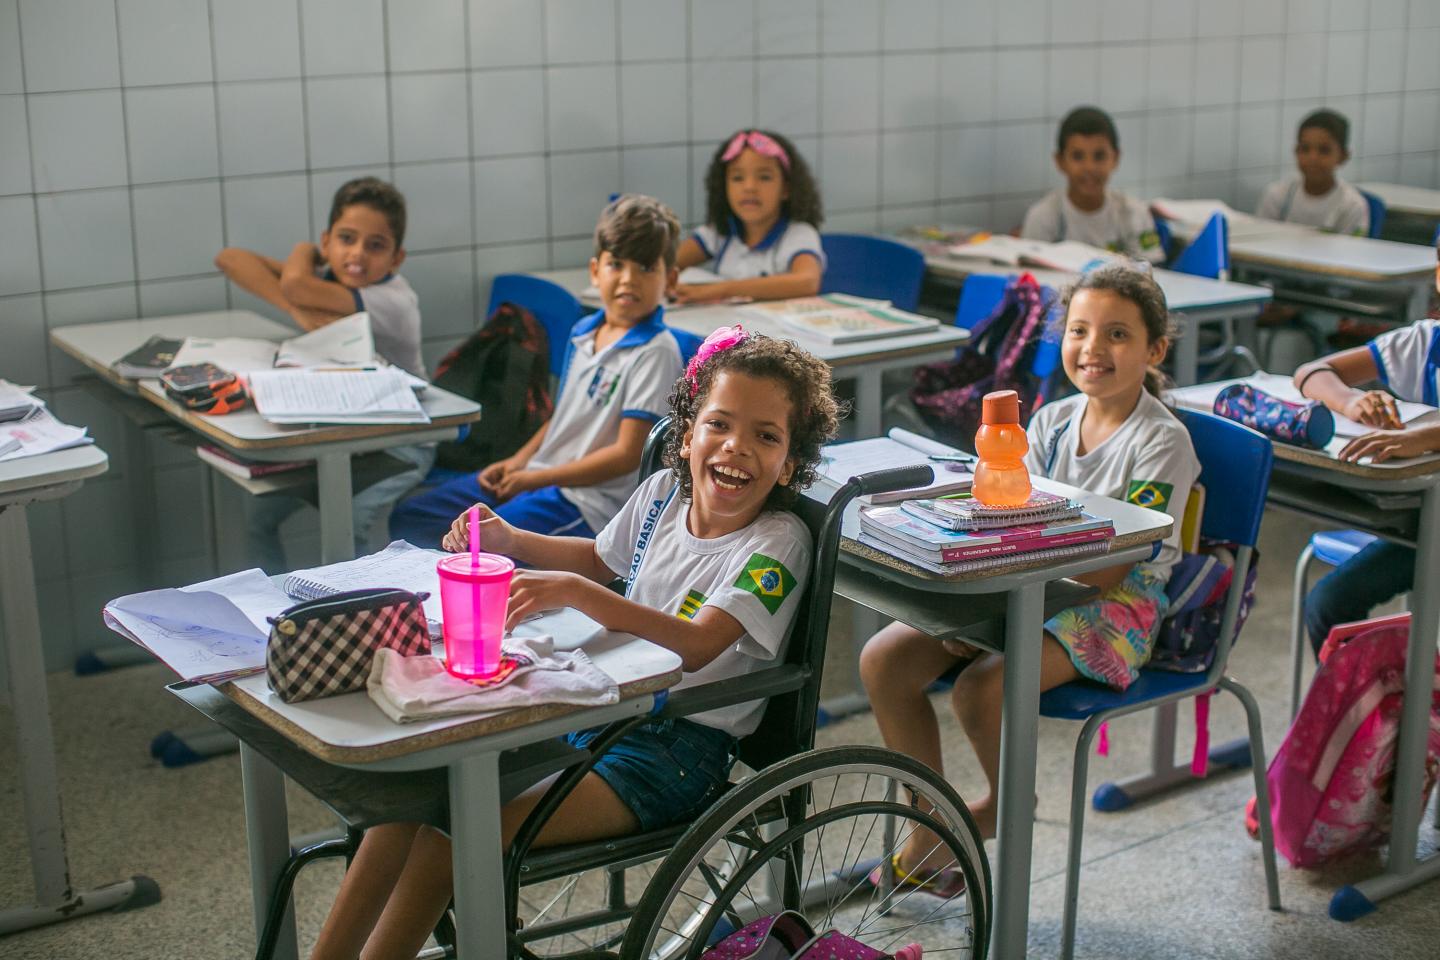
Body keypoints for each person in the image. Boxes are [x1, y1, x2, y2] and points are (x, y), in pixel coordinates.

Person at [309, 329, 842, 959]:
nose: (736, 448)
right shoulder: (663, 495)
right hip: (599, 712)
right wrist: (514, 540)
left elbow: (698, 646)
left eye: (766, 436)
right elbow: (597, 556)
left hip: (675, 753)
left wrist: (580, 594)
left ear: (791, 461)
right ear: (688, 431)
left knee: (450, 835)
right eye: (719, 424)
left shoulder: (777, 545)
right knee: (405, 805)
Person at [858, 265, 1199, 885]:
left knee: (982, 688)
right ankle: (928, 825)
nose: (1093, 349)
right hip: (1024, 579)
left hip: (1115, 601)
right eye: (1079, 330)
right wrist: (978, 608)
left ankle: (1005, 804)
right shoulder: (1049, 421)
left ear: (1155, 350)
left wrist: (992, 619)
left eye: (1117, 335)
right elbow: (1009, 520)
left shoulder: (1162, 440)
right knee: (885, 660)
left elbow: (1116, 564)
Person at [387, 195, 689, 549]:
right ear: (595, 271)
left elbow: (625, 455)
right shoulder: (584, 333)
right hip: (540, 475)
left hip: (585, 503)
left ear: (670, 279)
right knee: (413, 517)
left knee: (481, 543)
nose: (628, 280)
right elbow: (563, 417)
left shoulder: (654, 351)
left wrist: (535, 479)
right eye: (616, 264)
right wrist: (516, 463)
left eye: (645, 268)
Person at [214, 176, 430, 569]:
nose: (358, 255)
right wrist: (300, 294)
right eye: (347, 239)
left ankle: (363, 623)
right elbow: (230, 258)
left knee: (351, 527)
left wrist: (303, 268)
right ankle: (279, 621)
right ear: (327, 241)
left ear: (397, 258)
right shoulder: (333, 278)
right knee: (259, 520)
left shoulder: (391, 300)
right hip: (344, 431)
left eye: (376, 245)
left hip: (404, 439)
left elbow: (296, 283)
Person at [1292, 239, 1440, 654]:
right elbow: (1312, 372)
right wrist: (1351, 400)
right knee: (1329, 603)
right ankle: (1370, 712)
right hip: (1422, 528)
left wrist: (1423, 438)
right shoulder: (1425, 344)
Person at [672, 129, 826, 304]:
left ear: (786, 189)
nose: (750, 187)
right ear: (724, 187)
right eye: (738, 178)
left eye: (764, 177)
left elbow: (807, 282)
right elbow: (666, 264)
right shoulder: (720, 232)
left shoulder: (798, 234)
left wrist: (720, 290)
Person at [1021, 106, 1164, 264]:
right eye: (1078, 156)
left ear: (1115, 158)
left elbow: (1152, 274)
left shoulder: (1134, 213)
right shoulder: (1044, 217)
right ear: (1060, 161)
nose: (1089, 167)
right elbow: (1030, 278)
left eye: (1099, 156)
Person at [1256, 109, 1369, 236]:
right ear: (1296, 152)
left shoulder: (1352, 206)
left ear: (1343, 156)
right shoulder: (1276, 196)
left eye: (1324, 151)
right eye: (1305, 149)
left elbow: (1350, 253)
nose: (1313, 158)